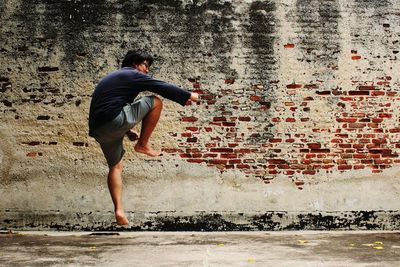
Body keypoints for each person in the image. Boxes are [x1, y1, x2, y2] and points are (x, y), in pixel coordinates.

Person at [88, 50, 199, 225]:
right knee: (155, 101)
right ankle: (143, 145)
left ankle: (119, 210)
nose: (147, 71)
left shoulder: (114, 79)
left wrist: (126, 130)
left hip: (99, 130)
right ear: (134, 64)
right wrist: (188, 95)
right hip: (113, 119)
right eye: (145, 66)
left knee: (115, 166)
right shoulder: (130, 73)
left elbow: (106, 108)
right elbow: (159, 86)